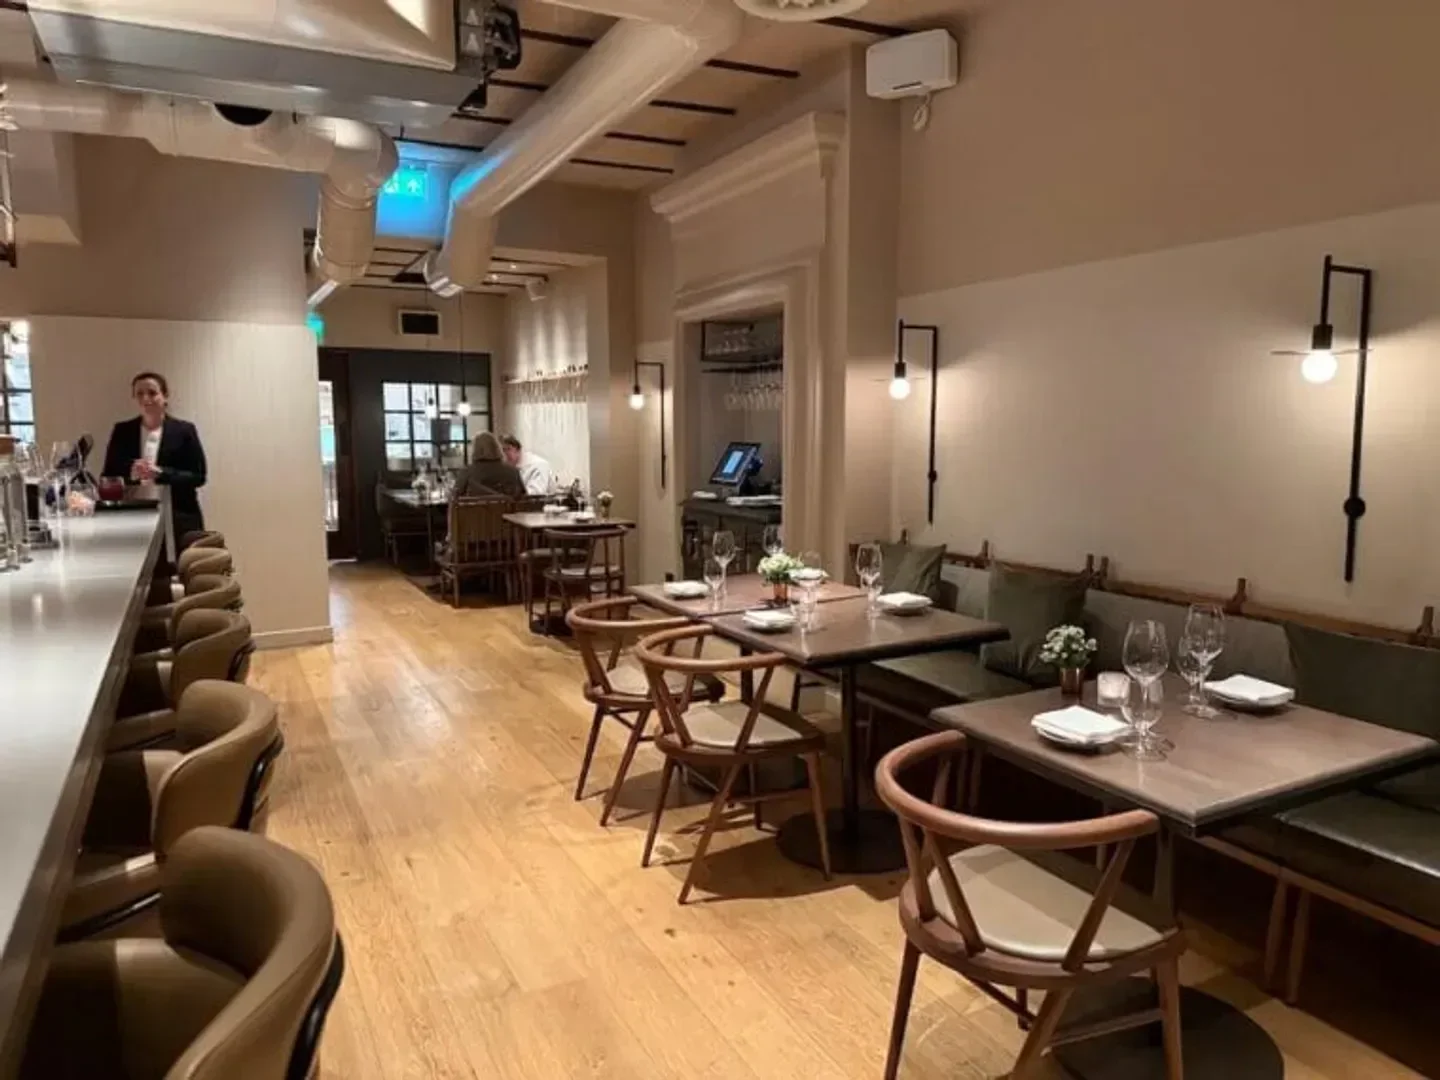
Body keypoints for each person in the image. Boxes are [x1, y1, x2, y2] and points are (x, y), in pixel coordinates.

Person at [102, 371, 208, 540]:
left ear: (165, 396)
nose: (146, 399)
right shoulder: (122, 431)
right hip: (134, 518)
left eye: (152, 393)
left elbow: (198, 476)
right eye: (140, 394)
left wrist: (161, 473)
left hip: (179, 516)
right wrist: (130, 473)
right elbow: (107, 477)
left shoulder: (185, 431)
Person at [456, 432, 525, 498]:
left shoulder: (466, 472)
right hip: (505, 506)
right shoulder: (513, 472)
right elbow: (524, 498)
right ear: (497, 447)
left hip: (476, 506)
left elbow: (455, 498)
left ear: (475, 450)